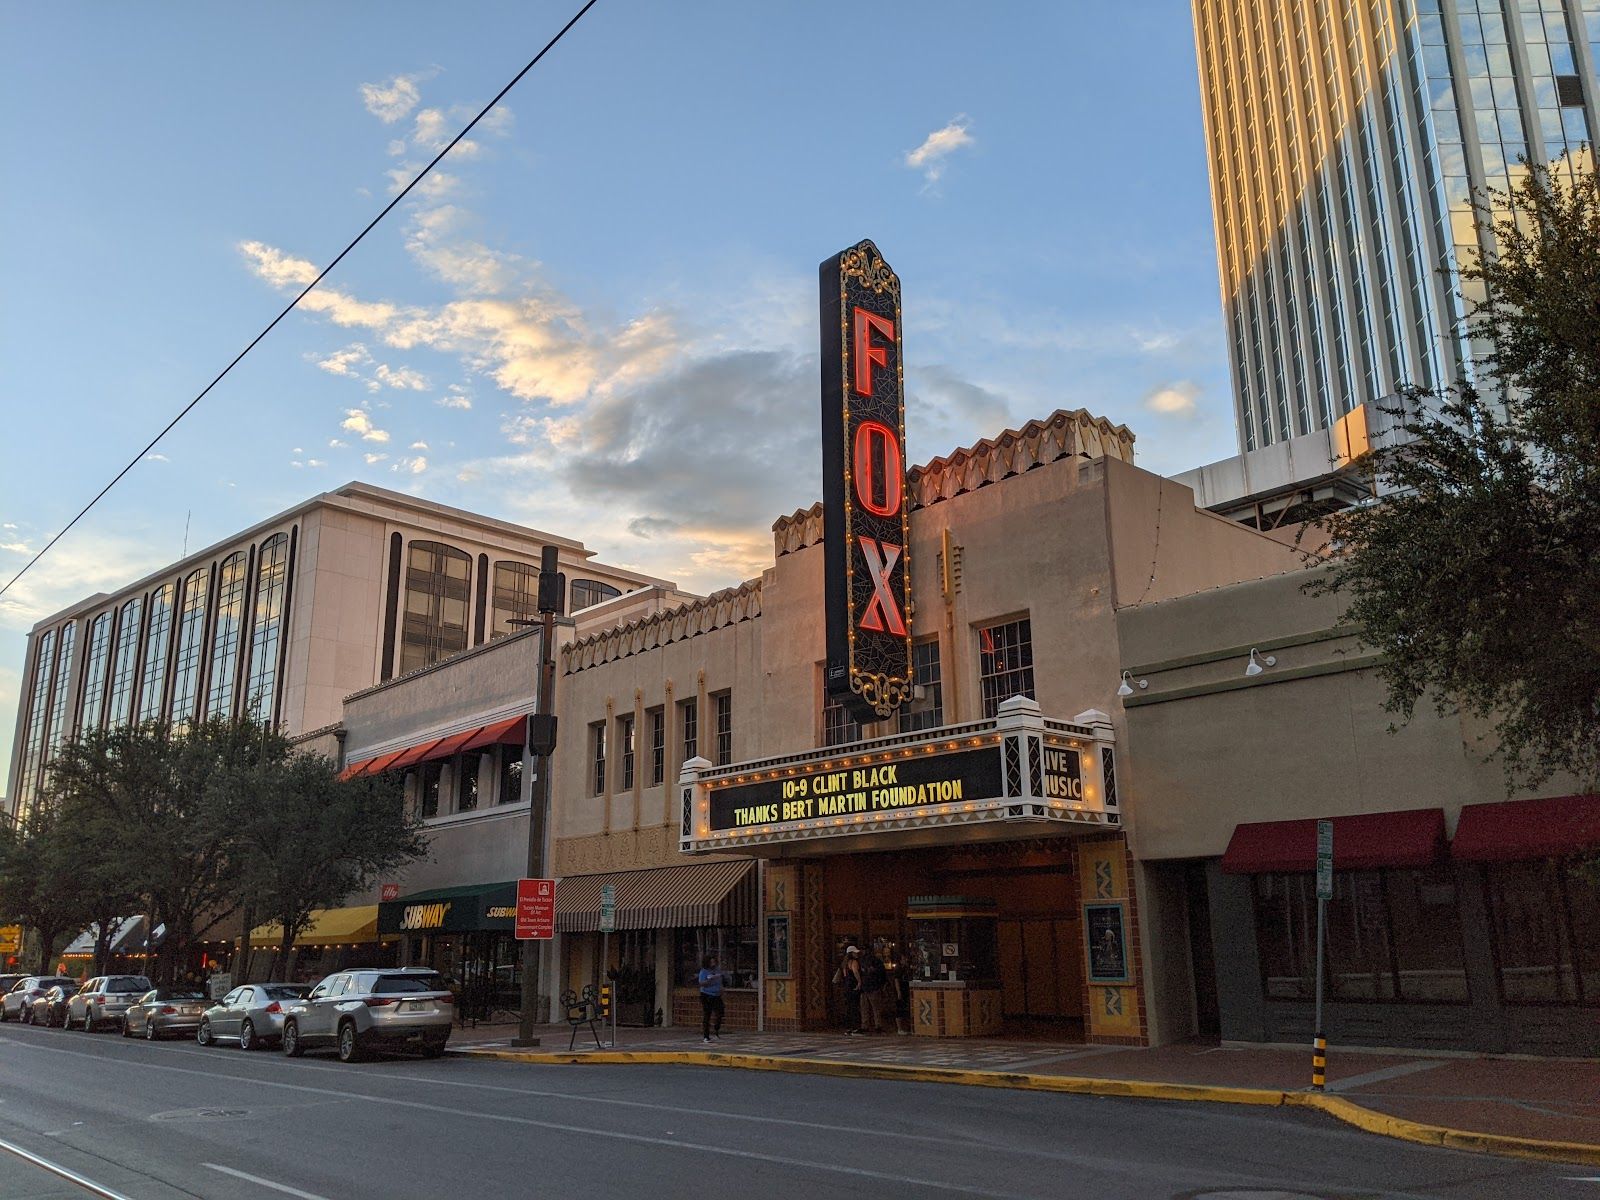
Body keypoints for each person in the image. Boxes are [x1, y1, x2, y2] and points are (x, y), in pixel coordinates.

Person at [858, 945, 890, 1035]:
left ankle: (865, 1026)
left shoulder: (862, 961)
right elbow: (882, 974)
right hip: (873, 988)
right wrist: (882, 985)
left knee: (865, 1008)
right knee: (876, 1008)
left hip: (866, 988)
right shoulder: (877, 961)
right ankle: (878, 1026)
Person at [832, 945, 863, 1035]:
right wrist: (859, 982)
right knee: (855, 1007)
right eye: (855, 952)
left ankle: (849, 1028)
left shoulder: (844, 964)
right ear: (851, 953)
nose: (857, 954)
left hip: (846, 987)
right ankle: (856, 1028)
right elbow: (855, 972)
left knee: (849, 1008)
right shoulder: (854, 962)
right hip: (853, 986)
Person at [696, 953, 725, 1043]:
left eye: (714, 962)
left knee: (720, 1011)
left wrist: (722, 988)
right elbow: (701, 983)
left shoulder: (717, 970)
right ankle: (706, 1036)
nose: (713, 963)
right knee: (707, 1014)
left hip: (717, 994)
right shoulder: (704, 971)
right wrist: (709, 980)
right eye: (711, 962)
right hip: (706, 994)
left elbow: (721, 980)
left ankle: (716, 1028)